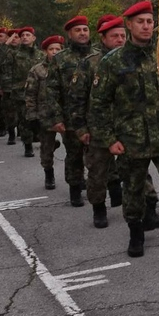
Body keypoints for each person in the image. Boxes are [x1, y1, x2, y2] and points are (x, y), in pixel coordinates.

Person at [89, 1, 159, 258]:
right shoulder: (112, 62)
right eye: (141, 21)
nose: (146, 26)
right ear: (129, 25)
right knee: (134, 190)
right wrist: (108, 139)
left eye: (150, 21)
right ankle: (135, 232)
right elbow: (99, 104)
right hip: (130, 140)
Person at [43, 15, 93, 207]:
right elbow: (51, 90)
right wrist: (56, 118)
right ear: (70, 34)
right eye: (78, 30)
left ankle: (95, 188)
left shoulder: (96, 56)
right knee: (74, 154)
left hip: (95, 115)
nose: (82, 33)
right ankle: (75, 188)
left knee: (96, 155)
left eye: (85, 29)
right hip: (71, 116)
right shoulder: (60, 59)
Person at [26, 35, 64, 190]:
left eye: (58, 49)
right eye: (51, 49)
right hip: (45, 115)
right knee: (46, 149)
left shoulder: (67, 67)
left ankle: (78, 178)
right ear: (45, 51)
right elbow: (30, 94)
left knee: (75, 149)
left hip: (65, 115)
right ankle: (49, 174)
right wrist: (32, 115)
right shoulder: (37, 70)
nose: (54, 52)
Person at [5, 27, 45, 157]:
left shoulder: (40, 55)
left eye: (28, 35)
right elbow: (0, 61)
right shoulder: (14, 53)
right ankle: (28, 146)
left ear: (33, 38)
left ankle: (44, 142)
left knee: (42, 119)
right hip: (21, 92)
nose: (25, 37)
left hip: (40, 91)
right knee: (25, 120)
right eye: (22, 35)